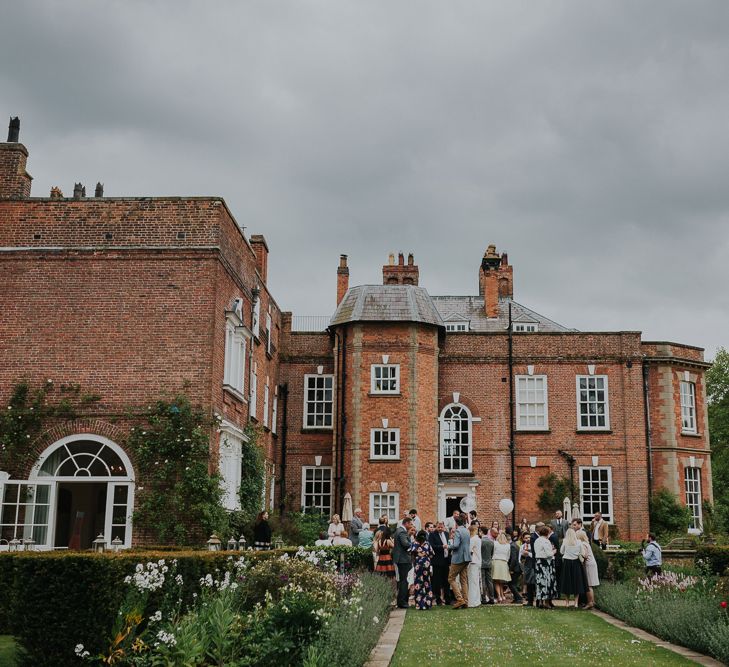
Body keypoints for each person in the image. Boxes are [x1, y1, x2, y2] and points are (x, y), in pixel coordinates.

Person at [447, 515, 471, 609]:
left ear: (456, 523)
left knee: (451, 578)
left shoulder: (458, 531)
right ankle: (466, 601)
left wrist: (448, 546)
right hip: (466, 558)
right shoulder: (467, 531)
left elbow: (456, 545)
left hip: (458, 558)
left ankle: (460, 599)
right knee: (463, 580)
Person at [560, 528, 587, 608]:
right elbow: (583, 553)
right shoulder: (579, 542)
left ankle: (567, 603)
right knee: (577, 582)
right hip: (576, 563)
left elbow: (561, 552)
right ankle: (575, 603)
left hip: (567, 563)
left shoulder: (565, 541)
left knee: (566, 582)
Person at [409, 530, 435, 610]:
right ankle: (427, 604)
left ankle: (419, 604)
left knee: (418, 584)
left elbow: (411, 553)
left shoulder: (414, 543)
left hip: (418, 566)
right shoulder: (427, 544)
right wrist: (425, 556)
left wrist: (418, 556)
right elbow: (432, 554)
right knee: (427, 583)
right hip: (426, 565)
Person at [534, 526, 557, 609]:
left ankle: (540, 601)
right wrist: (554, 551)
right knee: (547, 582)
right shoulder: (546, 541)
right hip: (546, 563)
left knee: (540, 582)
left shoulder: (537, 540)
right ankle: (546, 603)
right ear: (547, 533)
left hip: (538, 562)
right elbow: (548, 553)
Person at [392, 517, 413, 609]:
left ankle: (402, 601)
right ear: (406, 523)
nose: (411, 526)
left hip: (401, 559)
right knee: (404, 581)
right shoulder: (402, 532)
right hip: (403, 560)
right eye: (410, 524)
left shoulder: (399, 531)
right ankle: (403, 602)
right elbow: (405, 544)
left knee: (402, 580)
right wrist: (414, 544)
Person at [429, 521, 451, 605]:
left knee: (446, 580)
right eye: (439, 527)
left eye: (441, 527)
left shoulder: (446, 534)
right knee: (437, 581)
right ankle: (438, 599)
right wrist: (442, 547)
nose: (440, 529)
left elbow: (449, 543)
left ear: (444, 526)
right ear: (436, 526)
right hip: (437, 561)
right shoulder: (432, 534)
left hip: (446, 560)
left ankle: (447, 599)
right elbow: (431, 546)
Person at [577, 531, 598, 609]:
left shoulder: (583, 544)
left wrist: (579, 555)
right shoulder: (586, 543)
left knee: (588, 585)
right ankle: (592, 601)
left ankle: (590, 602)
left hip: (588, 565)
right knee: (590, 585)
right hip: (591, 564)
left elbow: (585, 555)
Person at [492, 531, 511, 603]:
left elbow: (493, 552)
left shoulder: (495, 543)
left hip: (496, 561)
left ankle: (499, 596)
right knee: (501, 581)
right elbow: (508, 556)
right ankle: (502, 595)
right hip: (504, 562)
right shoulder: (508, 545)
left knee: (496, 580)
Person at [467, 522, 482, 608]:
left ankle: (472, 602)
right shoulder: (478, 539)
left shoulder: (473, 539)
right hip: (477, 561)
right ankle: (476, 600)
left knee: (472, 582)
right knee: (476, 582)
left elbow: (469, 550)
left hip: (473, 562)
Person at [506, 532, 524, 603]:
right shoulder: (514, 544)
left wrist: (510, 569)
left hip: (515, 568)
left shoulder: (512, 546)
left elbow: (513, 559)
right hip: (517, 567)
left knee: (511, 584)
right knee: (513, 584)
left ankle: (519, 598)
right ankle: (517, 598)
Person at [520, 532, 536, 606]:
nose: (528, 539)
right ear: (523, 539)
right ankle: (530, 601)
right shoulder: (522, 546)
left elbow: (535, 556)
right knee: (528, 583)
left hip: (533, 565)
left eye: (529, 537)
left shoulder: (534, 545)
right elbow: (519, 558)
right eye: (526, 538)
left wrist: (528, 553)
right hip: (526, 566)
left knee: (533, 583)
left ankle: (537, 600)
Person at [480, 526, 495, 604]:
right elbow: (492, 553)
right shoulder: (491, 541)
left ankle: (484, 599)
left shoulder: (480, 541)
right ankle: (492, 598)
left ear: (481, 532)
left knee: (483, 581)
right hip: (489, 563)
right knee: (490, 581)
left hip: (481, 563)